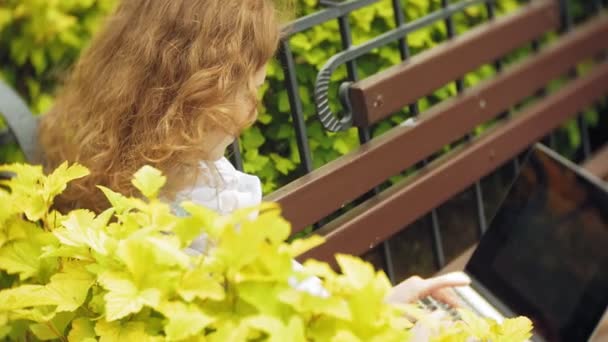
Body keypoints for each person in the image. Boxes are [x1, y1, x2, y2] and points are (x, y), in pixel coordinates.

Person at [38, 0, 469, 307]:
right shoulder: (189, 218)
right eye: (250, 91)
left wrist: (379, 308)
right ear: (192, 94)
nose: (253, 111)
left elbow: (275, 278)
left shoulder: (140, 167)